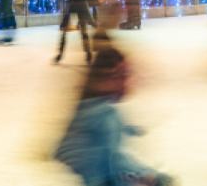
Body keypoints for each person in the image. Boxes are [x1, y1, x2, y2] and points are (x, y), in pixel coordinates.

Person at [55, 47, 174, 186]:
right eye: (122, 76)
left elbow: (64, 148)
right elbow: (116, 161)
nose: (128, 82)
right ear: (105, 79)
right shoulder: (106, 115)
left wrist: (126, 128)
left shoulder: (86, 107)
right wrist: (149, 176)